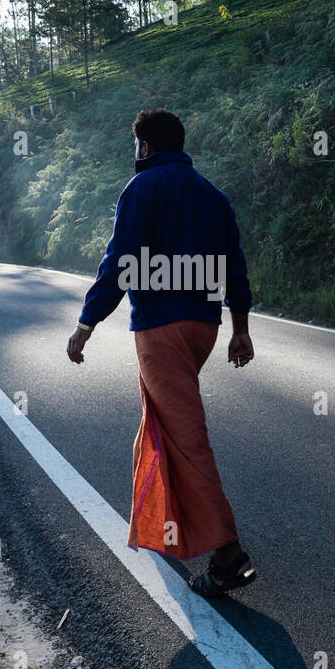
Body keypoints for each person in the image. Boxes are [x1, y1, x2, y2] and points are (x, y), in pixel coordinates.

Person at [66, 109, 257, 597]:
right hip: (204, 327)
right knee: (164, 424)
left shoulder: (143, 188)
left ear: (145, 147)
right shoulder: (214, 195)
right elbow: (234, 266)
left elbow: (121, 261)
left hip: (161, 328)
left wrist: (87, 322)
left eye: (136, 147)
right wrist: (240, 329)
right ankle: (166, 526)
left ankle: (228, 557)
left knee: (185, 435)